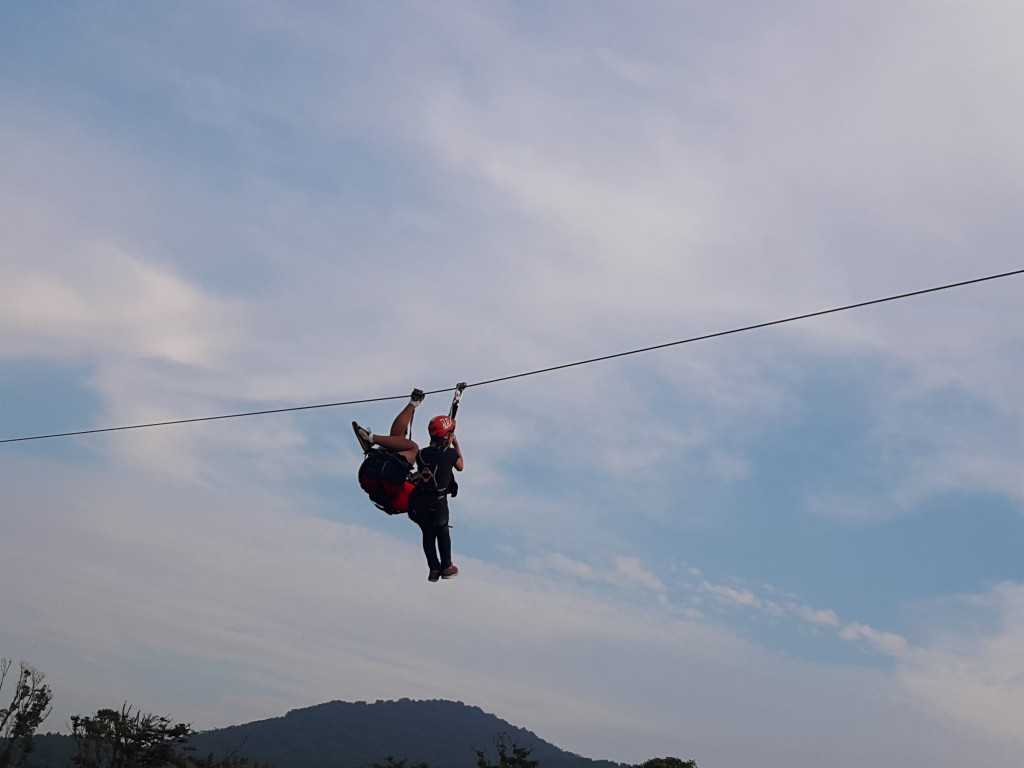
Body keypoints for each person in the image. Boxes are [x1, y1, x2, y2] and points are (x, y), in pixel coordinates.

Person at [409, 413, 464, 582]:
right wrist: (455, 443)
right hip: (438, 502)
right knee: (442, 530)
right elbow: (460, 466)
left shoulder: (422, 454)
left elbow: (432, 466)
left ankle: (433, 568)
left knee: (428, 534)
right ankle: (447, 566)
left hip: (421, 502)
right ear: (447, 434)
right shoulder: (450, 453)